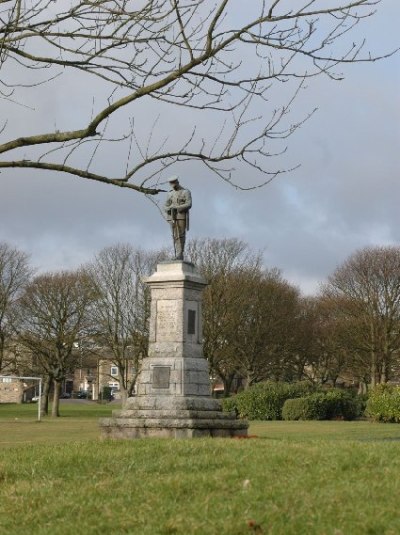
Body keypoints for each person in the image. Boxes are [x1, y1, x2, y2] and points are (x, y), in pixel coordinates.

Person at [164, 176, 192, 260]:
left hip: (181, 216)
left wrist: (177, 207)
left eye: (173, 183)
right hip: (171, 216)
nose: (172, 186)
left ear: (177, 182)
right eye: (171, 184)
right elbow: (165, 205)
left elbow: (189, 203)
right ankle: (177, 253)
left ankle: (180, 253)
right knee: (175, 235)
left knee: (181, 234)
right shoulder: (170, 193)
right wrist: (168, 209)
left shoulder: (185, 192)